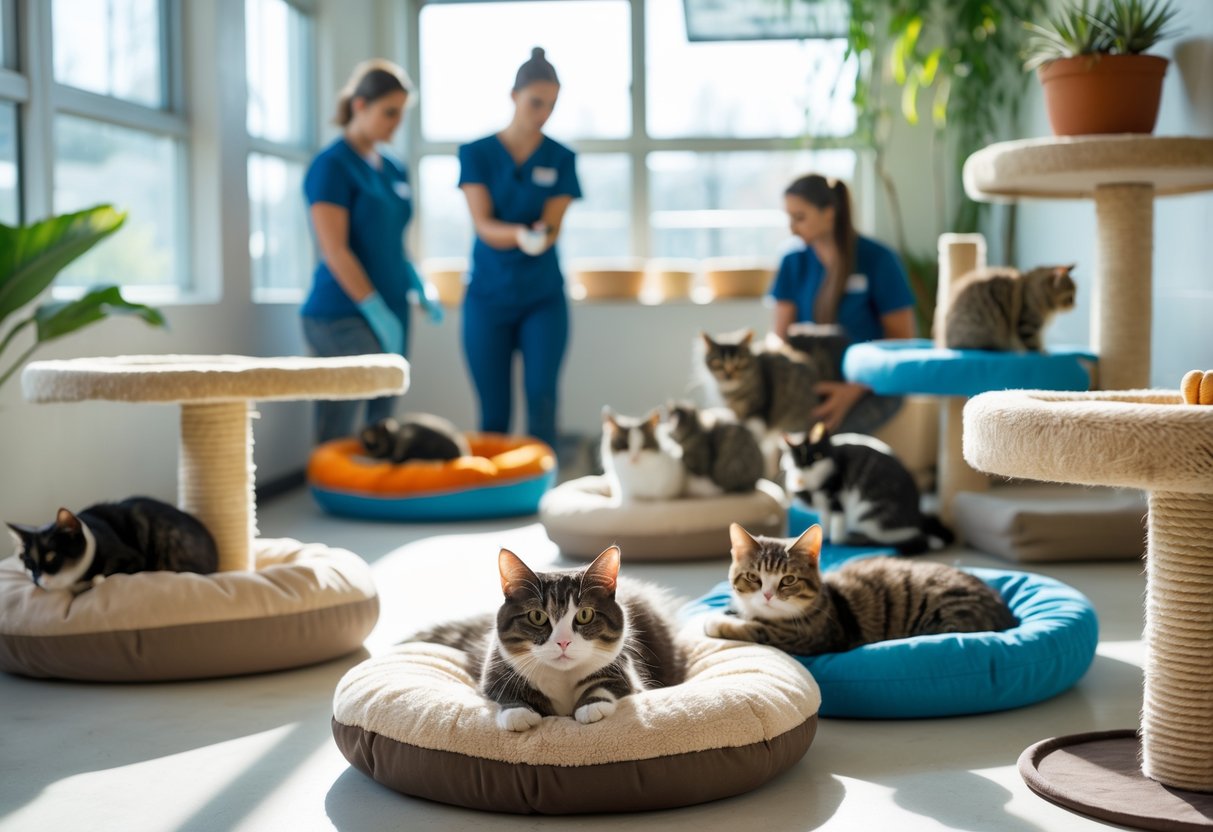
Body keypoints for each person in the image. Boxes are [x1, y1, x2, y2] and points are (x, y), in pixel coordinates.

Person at [301, 58, 443, 443]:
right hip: (342, 313)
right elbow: (335, 250)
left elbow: (393, 241)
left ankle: (373, 497)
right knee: (345, 412)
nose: (396, 123)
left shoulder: (394, 168)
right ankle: (332, 492)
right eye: (389, 112)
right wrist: (374, 309)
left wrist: (418, 283)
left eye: (401, 114)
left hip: (394, 306)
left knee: (382, 417)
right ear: (359, 106)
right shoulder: (331, 167)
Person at [457, 47, 581, 450]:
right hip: (488, 296)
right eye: (536, 102)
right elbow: (483, 224)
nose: (544, 112)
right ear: (514, 96)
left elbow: (553, 223)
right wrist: (519, 236)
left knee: (542, 399)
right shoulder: (476, 154)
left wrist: (541, 235)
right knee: (494, 412)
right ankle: (493, 501)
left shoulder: (561, 158)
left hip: (542, 296)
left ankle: (541, 497)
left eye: (552, 105)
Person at [770, 173, 917, 434]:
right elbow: (779, 338)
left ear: (829, 213)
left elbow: (902, 341)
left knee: (829, 439)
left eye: (800, 217)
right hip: (813, 380)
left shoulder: (878, 259)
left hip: (872, 383)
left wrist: (854, 389)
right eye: (789, 218)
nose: (792, 228)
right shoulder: (792, 261)